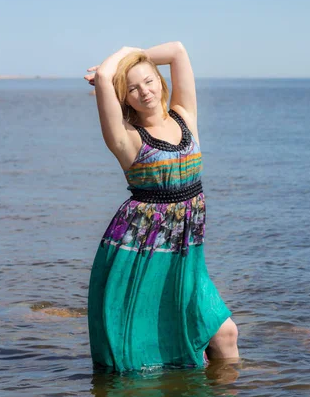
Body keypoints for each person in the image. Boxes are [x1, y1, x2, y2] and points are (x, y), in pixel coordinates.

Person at [84, 42, 239, 373]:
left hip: (186, 252)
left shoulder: (184, 115)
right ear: (123, 97)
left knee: (224, 333)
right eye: (132, 89)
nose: (144, 92)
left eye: (149, 81)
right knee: (141, 351)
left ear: (160, 79)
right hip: (141, 251)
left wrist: (130, 52)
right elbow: (106, 76)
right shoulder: (125, 138)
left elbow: (178, 51)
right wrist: (111, 71)